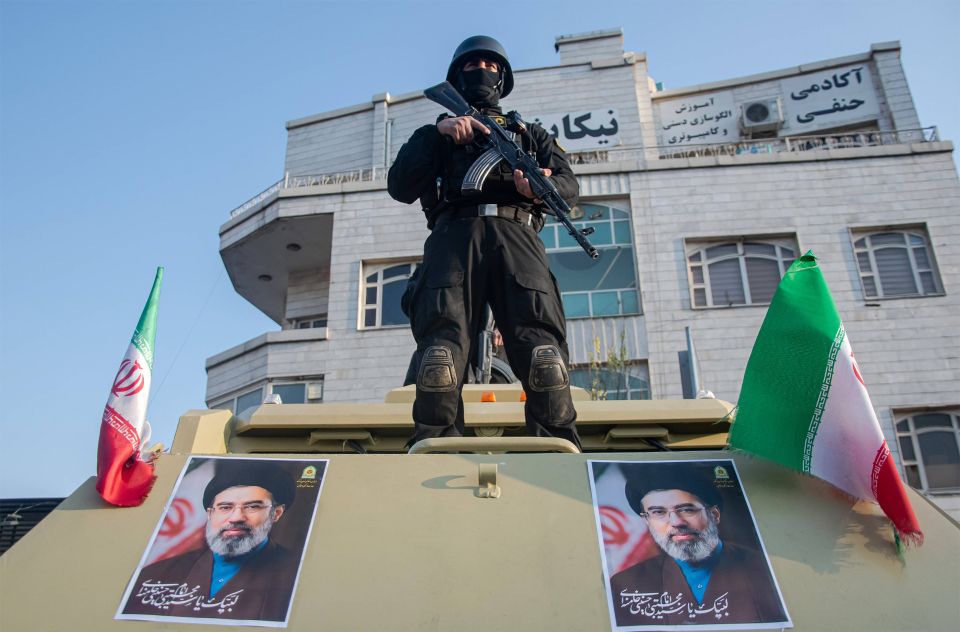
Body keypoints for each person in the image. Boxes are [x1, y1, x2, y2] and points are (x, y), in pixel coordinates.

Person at [387, 35, 581, 449]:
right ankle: (435, 444)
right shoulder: (436, 133)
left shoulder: (531, 136)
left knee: (542, 352)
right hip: (453, 237)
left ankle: (558, 448)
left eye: (492, 66)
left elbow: (569, 187)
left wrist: (539, 185)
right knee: (441, 353)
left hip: (518, 235)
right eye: (474, 65)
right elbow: (400, 186)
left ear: (504, 78)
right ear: (457, 77)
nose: (483, 71)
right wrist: (439, 135)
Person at [609, 467, 787, 626]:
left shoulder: (765, 569)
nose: (676, 522)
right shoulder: (625, 585)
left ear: (714, 515)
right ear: (647, 521)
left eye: (687, 509)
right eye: (658, 512)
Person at [123, 461, 300, 622]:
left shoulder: (297, 574)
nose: (236, 517)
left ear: (276, 513)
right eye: (225, 507)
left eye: (252, 506)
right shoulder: (155, 576)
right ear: (210, 514)